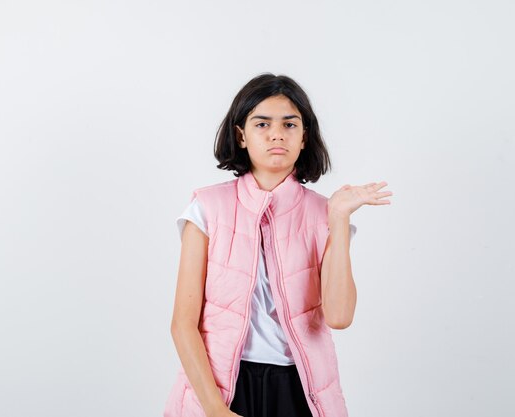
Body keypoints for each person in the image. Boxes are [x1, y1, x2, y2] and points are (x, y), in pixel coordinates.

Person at [164, 74, 392, 417]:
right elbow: (183, 323)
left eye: (289, 124)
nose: (276, 134)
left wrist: (339, 218)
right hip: (221, 385)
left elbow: (340, 316)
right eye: (262, 124)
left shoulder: (323, 214)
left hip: (299, 388)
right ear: (241, 135)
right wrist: (214, 409)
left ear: (304, 138)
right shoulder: (206, 208)